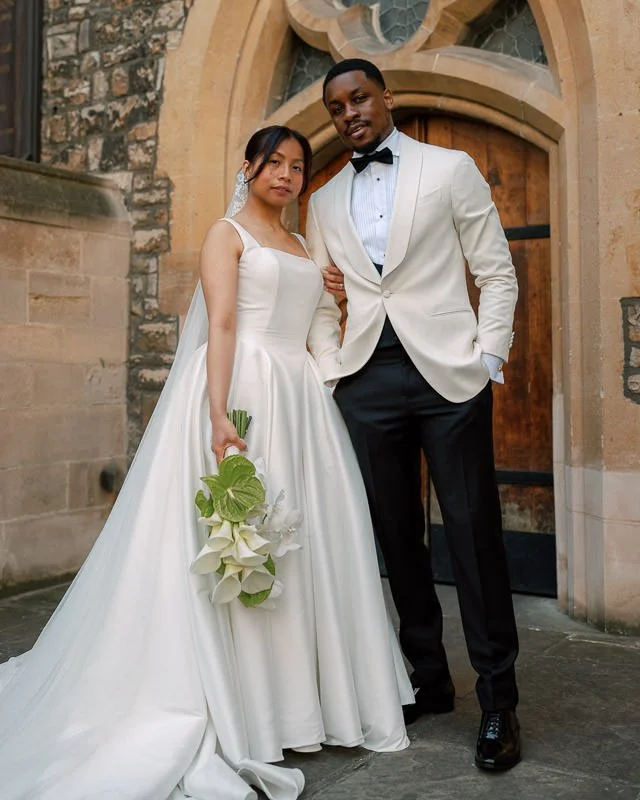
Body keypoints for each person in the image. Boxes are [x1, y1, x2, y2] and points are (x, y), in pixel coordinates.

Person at [0, 125, 413, 800]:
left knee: (300, 549)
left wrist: (342, 317)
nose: (285, 174)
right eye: (273, 162)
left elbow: (317, 337)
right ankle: (244, 708)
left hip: (300, 403)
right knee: (240, 542)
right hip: (240, 391)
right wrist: (220, 412)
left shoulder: (304, 245)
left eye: (296, 166)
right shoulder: (229, 235)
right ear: (248, 168)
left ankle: (304, 704)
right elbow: (222, 322)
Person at [306, 58, 522, 771]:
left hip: (449, 379)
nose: (349, 114)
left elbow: (494, 271)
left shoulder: (451, 168)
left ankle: (499, 703)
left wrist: (487, 358)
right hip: (367, 379)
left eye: (359, 98)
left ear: (385, 98)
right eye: (336, 107)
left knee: (472, 536)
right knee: (396, 542)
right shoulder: (325, 199)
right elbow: (317, 297)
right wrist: (335, 369)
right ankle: (428, 679)